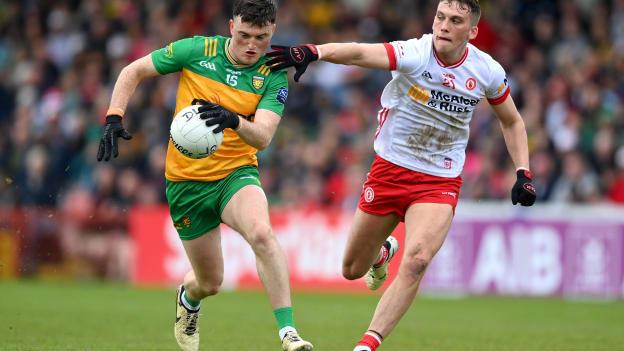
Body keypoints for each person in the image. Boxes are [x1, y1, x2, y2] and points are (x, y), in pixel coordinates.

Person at [267, 1, 536, 350]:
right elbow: (360, 54)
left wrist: (523, 171)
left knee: (418, 259)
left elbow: (511, 120)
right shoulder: (415, 53)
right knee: (351, 269)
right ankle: (380, 255)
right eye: (441, 17)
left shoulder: (487, 71)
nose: (444, 25)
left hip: (438, 180)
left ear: (472, 32)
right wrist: (314, 51)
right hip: (390, 171)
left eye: (456, 21)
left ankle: (367, 344)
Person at [96, 1, 313, 350]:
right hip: (186, 183)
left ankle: (289, 333)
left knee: (261, 233)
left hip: (235, 173)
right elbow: (132, 71)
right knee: (210, 282)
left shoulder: (273, 71)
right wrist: (114, 116)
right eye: (244, 35)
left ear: (273, 31)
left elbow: (264, 137)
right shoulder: (197, 50)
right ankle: (188, 300)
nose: (251, 46)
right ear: (230, 26)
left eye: (261, 37)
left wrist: (233, 120)